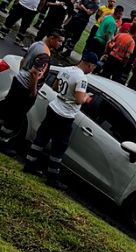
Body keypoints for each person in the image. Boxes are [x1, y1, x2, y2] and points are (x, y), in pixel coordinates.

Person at [23, 52, 98, 189]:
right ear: (89, 64)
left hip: (54, 107)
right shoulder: (82, 79)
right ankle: (52, 178)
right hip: (65, 115)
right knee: (59, 147)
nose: (93, 70)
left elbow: (55, 87)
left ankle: (29, 164)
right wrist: (86, 97)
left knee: (42, 137)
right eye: (93, 67)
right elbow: (78, 100)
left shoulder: (66, 69)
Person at [0, 30, 64, 154]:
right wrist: (33, 91)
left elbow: (23, 61)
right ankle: (3, 142)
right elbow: (35, 73)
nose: (60, 44)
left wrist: (20, 75)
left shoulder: (36, 44)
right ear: (52, 38)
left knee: (8, 111)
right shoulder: (45, 53)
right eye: (59, 41)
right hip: (25, 89)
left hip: (19, 81)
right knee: (16, 117)